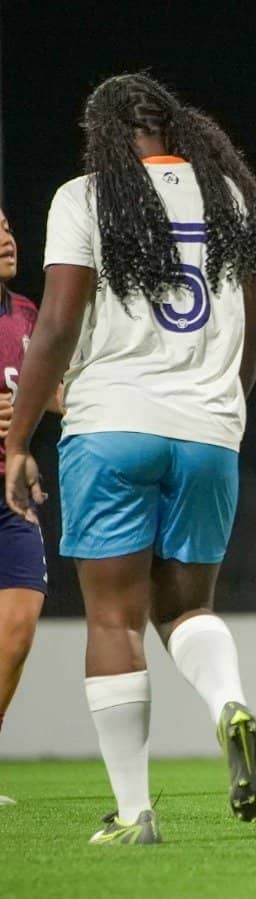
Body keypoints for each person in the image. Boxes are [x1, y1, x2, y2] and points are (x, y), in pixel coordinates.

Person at [5, 73, 256, 844]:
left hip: (112, 425)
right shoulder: (233, 197)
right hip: (209, 427)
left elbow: (57, 322)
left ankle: (134, 812)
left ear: (105, 135)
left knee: (114, 617)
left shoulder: (84, 198)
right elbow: (253, 339)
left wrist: (21, 438)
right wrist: (223, 413)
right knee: (188, 607)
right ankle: (229, 700)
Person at [0, 209, 55, 808]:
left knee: (16, 627)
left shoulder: (27, 315)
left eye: (9, 226)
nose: (7, 238)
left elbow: (54, 391)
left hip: (11, 492)